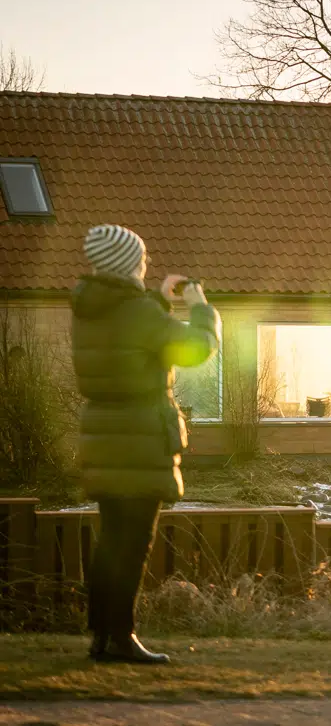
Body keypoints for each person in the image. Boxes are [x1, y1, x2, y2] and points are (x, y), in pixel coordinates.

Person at [72, 224, 220, 664]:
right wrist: (200, 308)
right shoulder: (135, 312)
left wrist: (157, 297)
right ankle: (121, 638)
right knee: (134, 542)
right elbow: (196, 349)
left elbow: (136, 332)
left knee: (112, 540)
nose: (144, 265)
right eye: (140, 259)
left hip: (104, 435)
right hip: (138, 436)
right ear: (126, 263)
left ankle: (102, 635)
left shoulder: (92, 307)